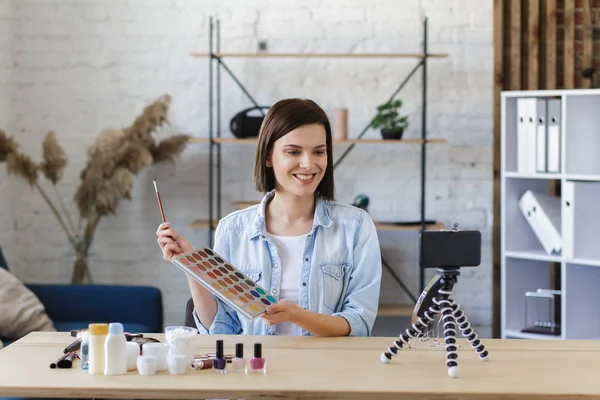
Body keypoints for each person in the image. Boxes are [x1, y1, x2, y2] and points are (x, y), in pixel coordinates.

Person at [157, 98, 382, 337]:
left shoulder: (356, 226)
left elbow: (359, 324)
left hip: (328, 370)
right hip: (255, 369)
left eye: (319, 152)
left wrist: (297, 316)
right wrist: (193, 266)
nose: (308, 163)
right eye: (293, 152)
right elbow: (221, 329)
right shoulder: (233, 230)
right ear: (267, 157)